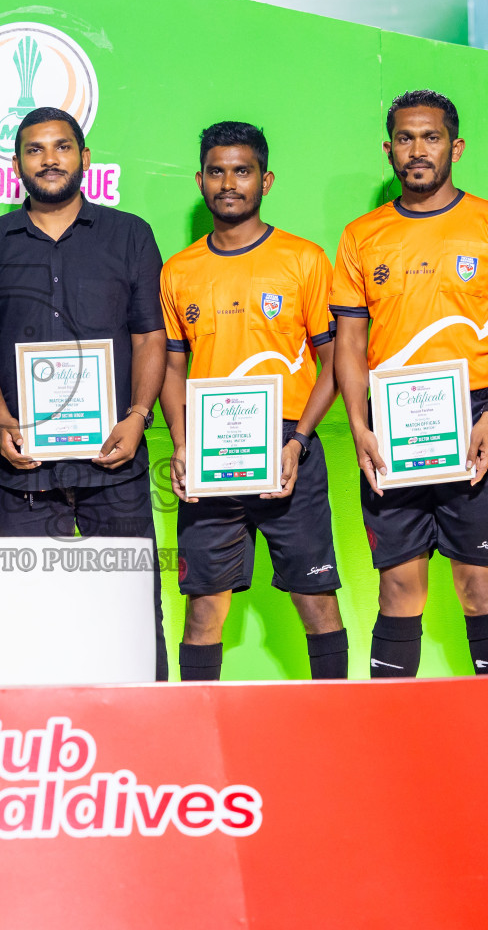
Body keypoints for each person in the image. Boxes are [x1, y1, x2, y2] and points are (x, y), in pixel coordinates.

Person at [331, 89, 488, 677]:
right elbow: (348, 342)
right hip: (389, 421)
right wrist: (357, 426)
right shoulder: (361, 235)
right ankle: (391, 746)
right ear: (388, 150)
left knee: (481, 586)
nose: (417, 150)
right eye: (404, 138)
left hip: (474, 416)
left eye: (430, 137)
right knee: (398, 589)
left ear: (456, 146)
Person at [0, 106, 169, 681]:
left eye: (61, 147)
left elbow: (150, 334)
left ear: (85, 158)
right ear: (15, 164)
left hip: (115, 462)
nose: (49, 159)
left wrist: (137, 415)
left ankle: (147, 739)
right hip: (24, 471)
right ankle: (41, 746)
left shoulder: (129, 235)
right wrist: (1, 422)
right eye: (35, 149)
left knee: (131, 613)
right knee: (29, 620)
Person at [158, 122, 345, 681]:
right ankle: (197, 732)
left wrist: (299, 440)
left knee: (317, 601)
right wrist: (184, 444)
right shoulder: (179, 270)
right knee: (203, 610)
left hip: (291, 452)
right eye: (217, 172)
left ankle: (340, 728)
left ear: (266, 180)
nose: (229, 183)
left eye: (242, 171)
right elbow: (171, 366)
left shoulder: (304, 260)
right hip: (211, 457)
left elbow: (335, 363)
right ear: (200, 180)